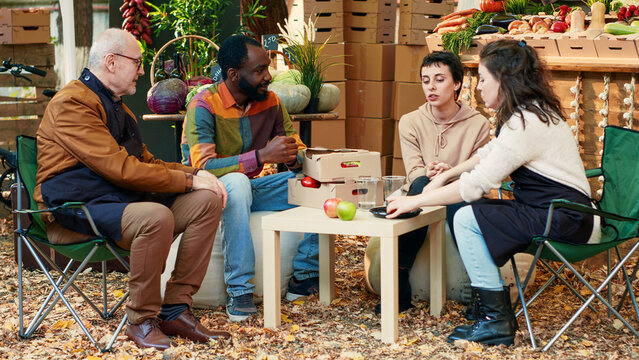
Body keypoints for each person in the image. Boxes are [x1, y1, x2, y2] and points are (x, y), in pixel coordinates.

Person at [387, 39, 600, 346]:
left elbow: (474, 186)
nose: (479, 88)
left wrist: (415, 200)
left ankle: (494, 319)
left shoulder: (526, 122)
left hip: (565, 219)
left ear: (503, 80)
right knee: (467, 212)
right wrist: (444, 175)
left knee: (466, 216)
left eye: (484, 80)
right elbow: (487, 155)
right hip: (564, 213)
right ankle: (490, 312)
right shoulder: (529, 114)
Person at [35, 28, 231, 350]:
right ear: (111, 62)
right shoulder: (72, 103)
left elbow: (147, 162)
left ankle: (176, 309)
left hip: (116, 202)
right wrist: (189, 179)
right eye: (137, 62)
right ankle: (140, 320)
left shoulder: (117, 108)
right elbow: (121, 169)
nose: (142, 70)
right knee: (155, 216)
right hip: (76, 208)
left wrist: (197, 174)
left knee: (206, 202)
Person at [181, 35, 319, 322]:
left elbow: (297, 151)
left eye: (267, 68)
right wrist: (262, 157)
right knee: (238, 182)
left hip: (247, 190)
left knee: (320, 181)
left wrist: (294, 157)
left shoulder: (271, 102)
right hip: (204, 195)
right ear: (234, 75)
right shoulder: (203, 105)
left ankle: (304, 276)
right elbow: (203, 167)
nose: (268, 76)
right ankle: (239, 290)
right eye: (259, 71)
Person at [376, 51, 489, 314]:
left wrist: (450, 173)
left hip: (463, 192)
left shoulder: (479, 124)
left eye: (439, 79)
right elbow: (414, 171)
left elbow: (481, 174)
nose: (431, 87)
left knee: (457, 199)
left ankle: (481, 291)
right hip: (421, 188)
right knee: (417, 188)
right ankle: (398, 282)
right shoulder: (410, 122)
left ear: (457, 84)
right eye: (426, 80)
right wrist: (431, 173)